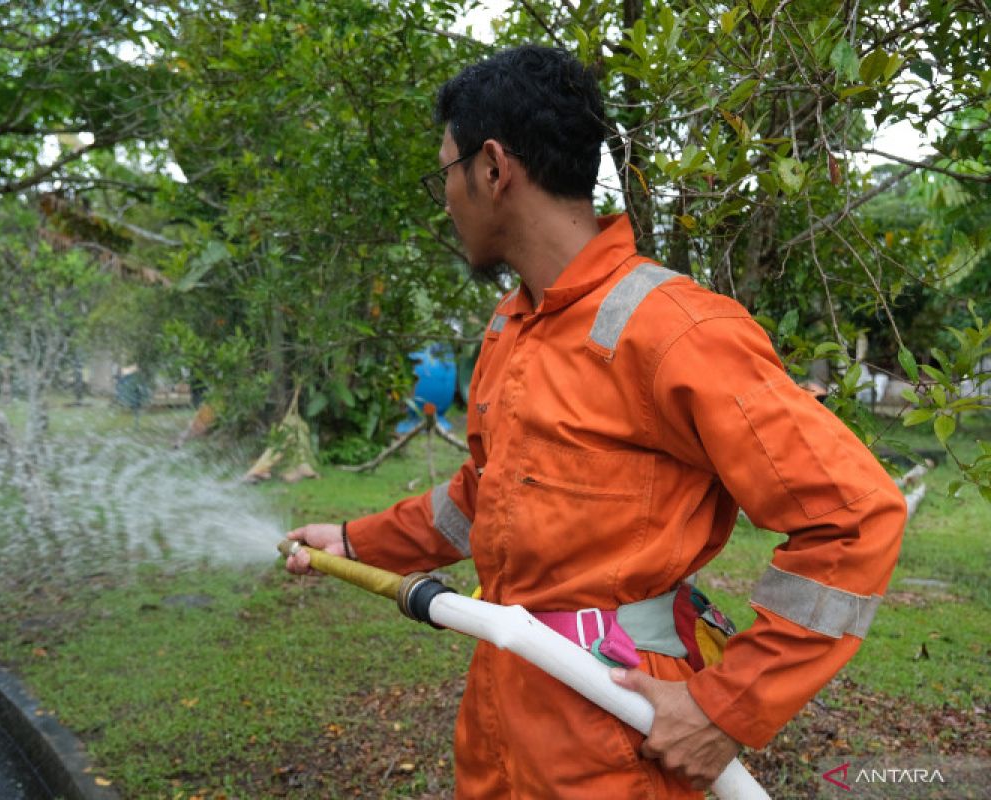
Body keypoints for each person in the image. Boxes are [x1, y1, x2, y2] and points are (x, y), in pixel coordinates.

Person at [284, 44, 907, 799]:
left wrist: (727, 708)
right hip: (503, 707)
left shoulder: (675, 331)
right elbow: (483, 498)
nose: (444, 198)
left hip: (616, 729)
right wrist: (355, 542)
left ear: (492, 168)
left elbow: (854, 518)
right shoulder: (511, 329)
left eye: (443, 173)